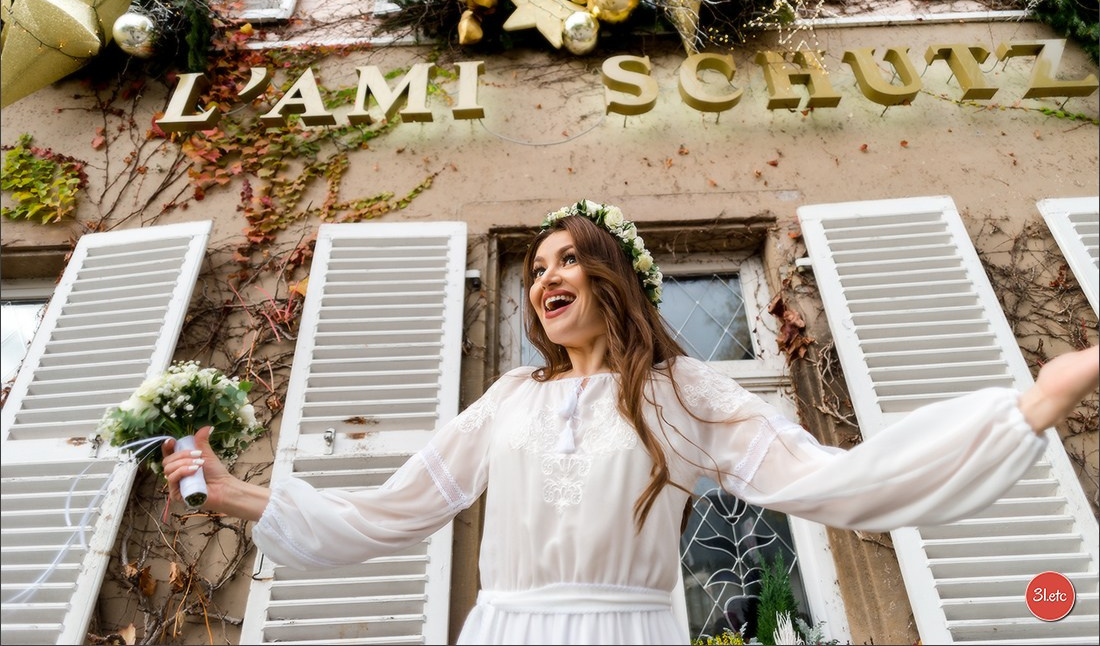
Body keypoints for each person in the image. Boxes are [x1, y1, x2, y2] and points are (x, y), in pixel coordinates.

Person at [162, 199, 1100, 645]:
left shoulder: (686, 393)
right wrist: (237, 490)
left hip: (629, 631)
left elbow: (831, 482)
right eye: (536, 269)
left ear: (614, 280)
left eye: (570, 260)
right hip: (505, 631)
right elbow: (389, 514)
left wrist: (1032, 401)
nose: (547, 277)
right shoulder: (508, 402)